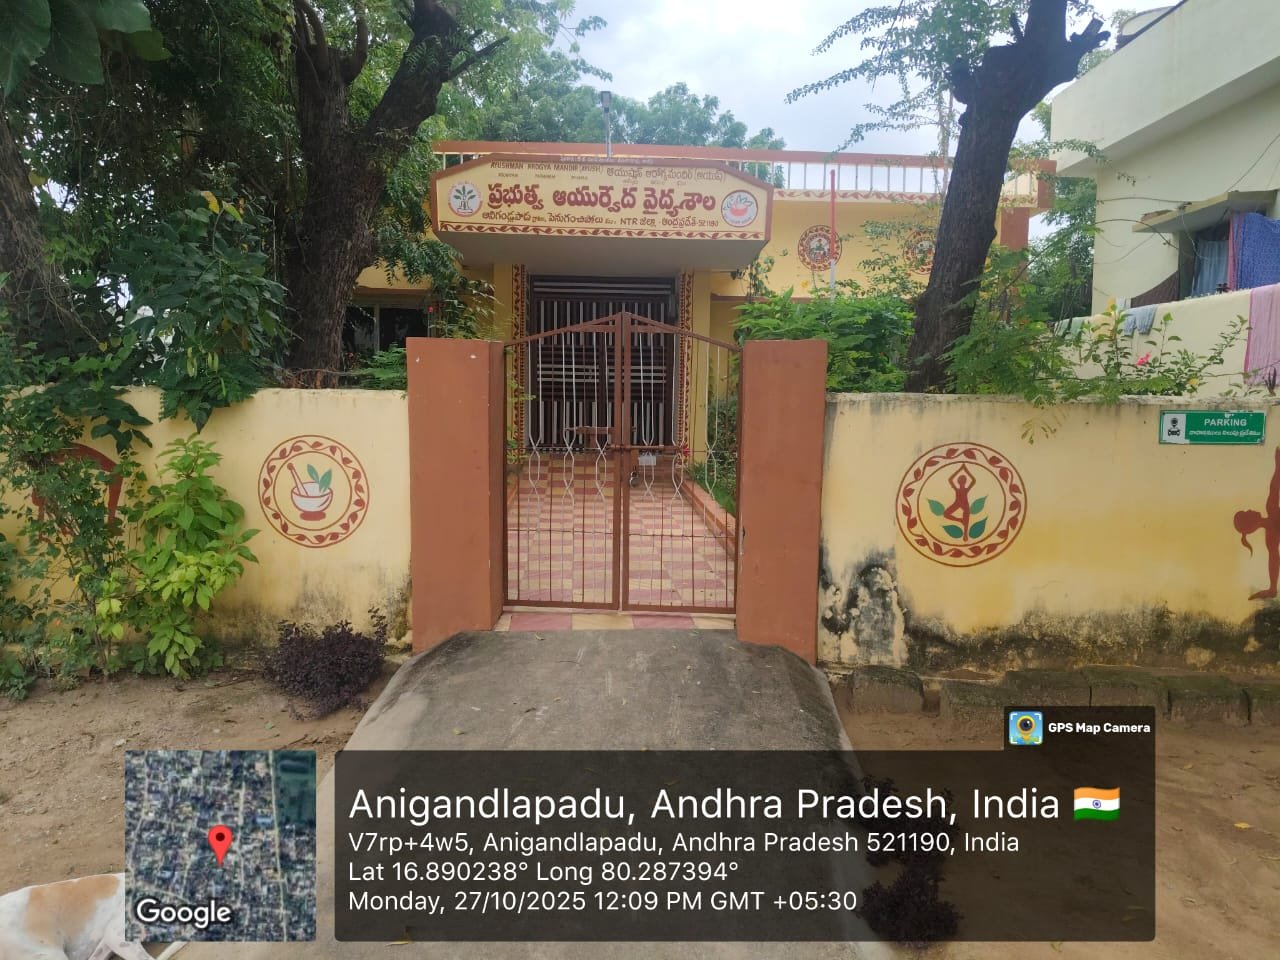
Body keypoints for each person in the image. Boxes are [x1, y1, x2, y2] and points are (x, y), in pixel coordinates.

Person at [1235, 447, 1280, 599]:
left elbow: (1275, 486)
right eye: (1247, 513)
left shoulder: (1271, 538)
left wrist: (1278, 466)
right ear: (1251, 523)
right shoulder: (1271, 510)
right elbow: (1275, 486)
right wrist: (1278, 466)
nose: (1249, 509)